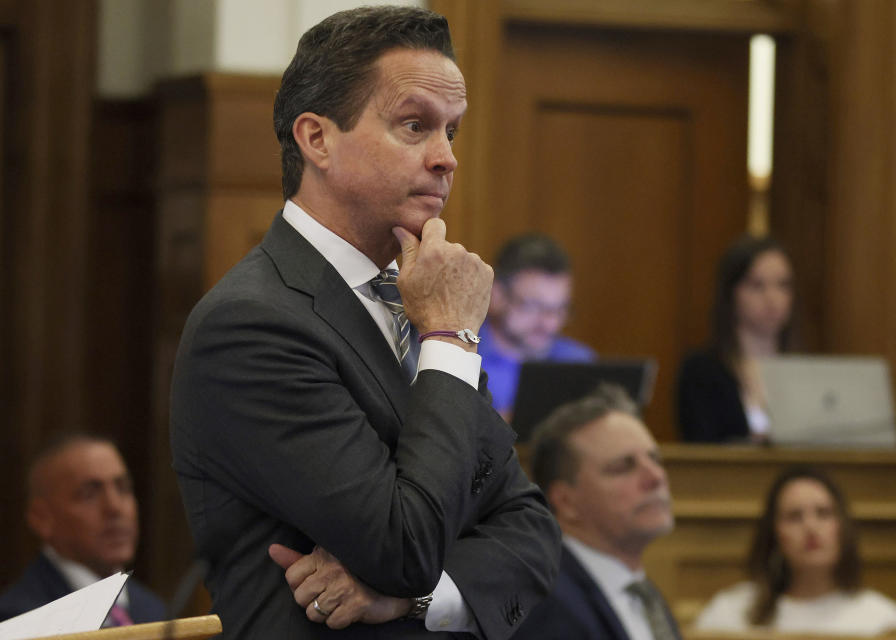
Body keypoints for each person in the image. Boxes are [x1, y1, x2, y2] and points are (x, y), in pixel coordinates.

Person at [169, 6, 560, 640]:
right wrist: (451, 338)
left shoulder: (417, 297)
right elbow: (403, 546)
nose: (445, 159)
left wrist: (409, 600)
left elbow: (530, 526)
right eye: (414, 126)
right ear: (316, 138)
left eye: (452, 132)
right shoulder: (249, 325)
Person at [512, 384, 680, 640]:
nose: (656, 477)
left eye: (655, 459)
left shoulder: (644, 594)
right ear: (566, 502)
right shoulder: (542, 605)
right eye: (623, 467)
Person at [695, 466, 896, 635]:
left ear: (842, 527)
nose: (811, 528)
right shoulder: (731, 612)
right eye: (795, 516)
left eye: (823, 513)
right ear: (774, 533)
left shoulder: (882, 619)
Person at [0, 433, 166, 625]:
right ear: (42, 518)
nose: (114, 507)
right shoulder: (19, 620)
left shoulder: (154, 610)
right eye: (89, 494)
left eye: (123, 488)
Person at [676, 234, 794, 443]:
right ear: (731, 292)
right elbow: (701, 447)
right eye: (757, 285)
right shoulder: (702, 371)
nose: (772, 298)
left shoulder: (803, 369)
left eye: (783, 285)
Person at [478, 233, 594, 417]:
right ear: (497, 295)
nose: (549, 323)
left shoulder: (577, 361)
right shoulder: (461, 353)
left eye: (558, 309)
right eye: (533, 306)